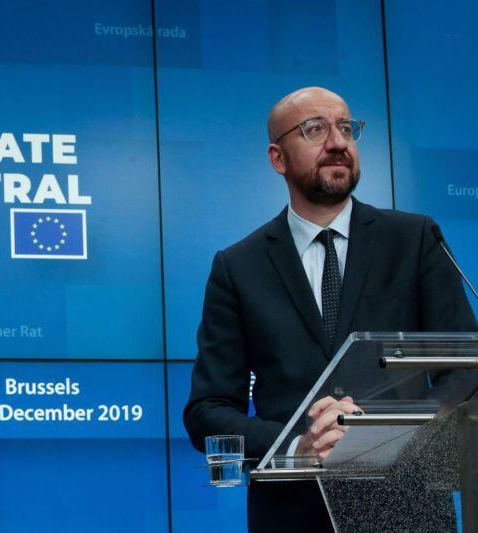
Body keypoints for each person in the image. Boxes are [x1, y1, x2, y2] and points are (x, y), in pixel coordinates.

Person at [183, 87, 477, 532]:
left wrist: (389, 432)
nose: (338, 142)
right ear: (278, 158)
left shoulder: (415, 239)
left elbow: (466, 368)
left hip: (408, 510)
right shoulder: (238, 266)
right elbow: (208, 410)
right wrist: (299, 444)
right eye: (315, 129)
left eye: (346, 128)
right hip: (293, 514)